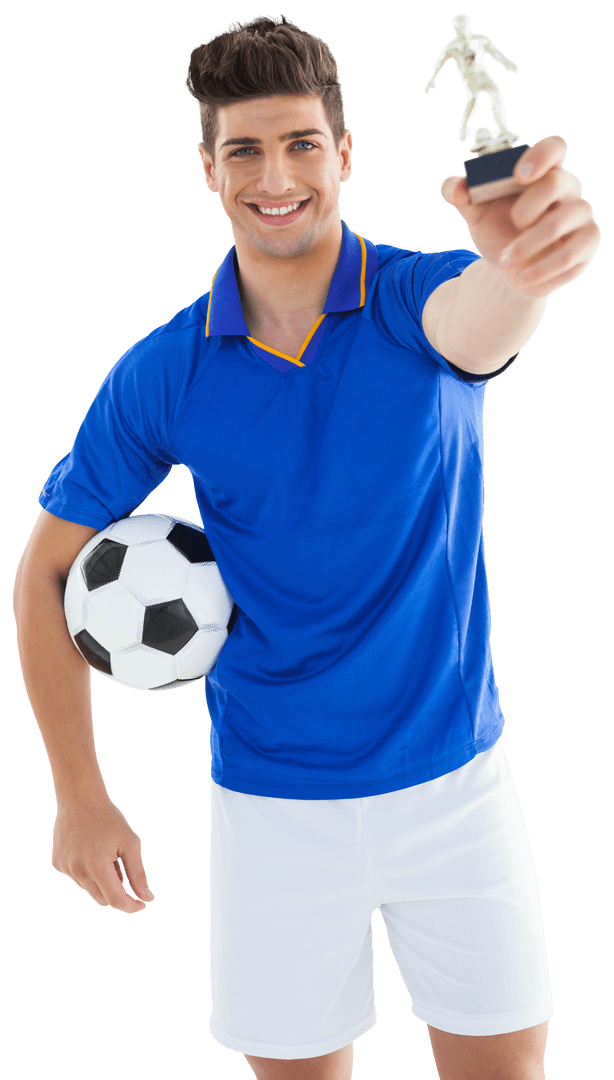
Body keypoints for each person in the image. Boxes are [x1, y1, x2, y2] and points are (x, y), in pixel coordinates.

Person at [12, 14, 600, 1080]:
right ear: (208, 169)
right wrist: (79, 795)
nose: (274, 177)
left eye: (300, 144)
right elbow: (44, 573)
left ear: (344, 154)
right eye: (243, 149)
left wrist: (521, 268)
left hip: (454, 786)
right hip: (271, 806)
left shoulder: (415, 300)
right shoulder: (166, 372)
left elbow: (484, 318)